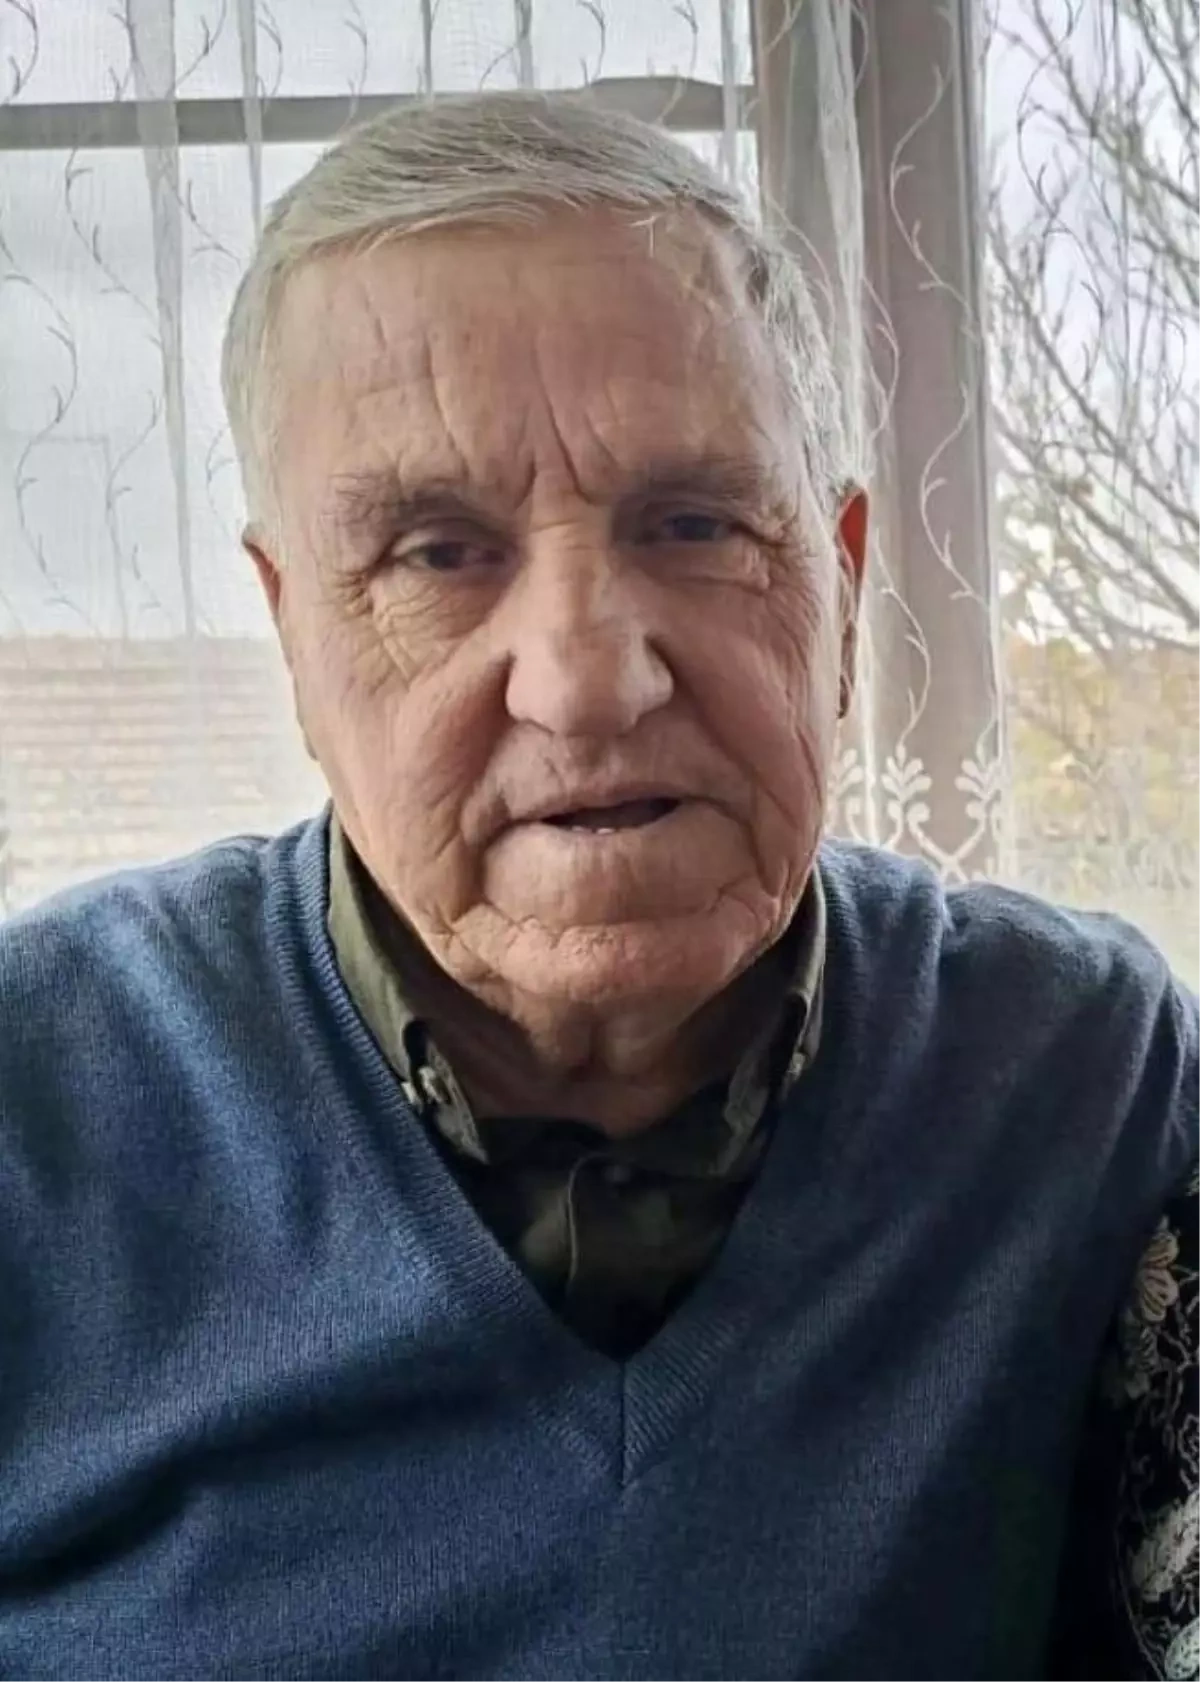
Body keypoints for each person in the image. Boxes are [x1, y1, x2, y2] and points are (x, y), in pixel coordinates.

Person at [0, 89, 1194, 1682]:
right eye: (437, 553)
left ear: (841, 588)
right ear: (292, 631)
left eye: (696, 524)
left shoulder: (1084, 1071)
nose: (586, 680)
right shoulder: (37, 1099)